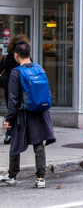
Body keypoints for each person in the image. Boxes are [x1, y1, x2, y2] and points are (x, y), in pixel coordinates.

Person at [2, 39, 54, 188]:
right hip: (40, 113)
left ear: (16, 56)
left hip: (23, 114)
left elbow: (13, 99)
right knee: (39, 145)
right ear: (29, 53)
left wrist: (9, 118)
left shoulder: (16, 73)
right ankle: (40, 179)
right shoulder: (40, 69)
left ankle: (12, 176)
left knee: (16, 143)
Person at [0, 34, 30, 146]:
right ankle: (21, 134)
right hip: (24, 89)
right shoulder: (26, 59)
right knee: (23, 110)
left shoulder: (7, 58)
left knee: (11, 109)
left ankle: (9, 134)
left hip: (10, 88)